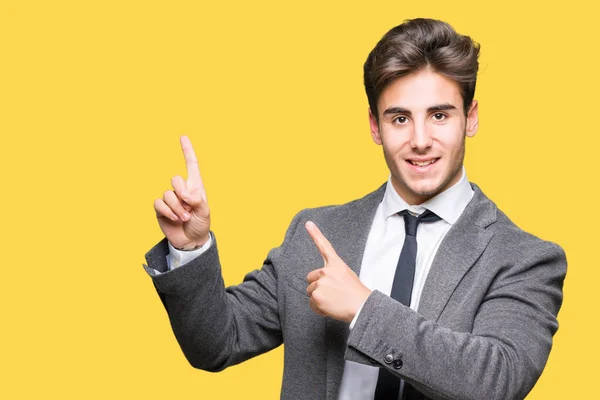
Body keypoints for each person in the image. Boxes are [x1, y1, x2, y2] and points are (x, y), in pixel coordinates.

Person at [143, 18, 567, 400]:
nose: (420, 140)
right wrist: (192, 249)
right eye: (399, 118)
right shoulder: (316, 233)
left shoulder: (523, 258)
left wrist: (364, 307)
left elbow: (497, 380)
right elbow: (218, 343)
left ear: (470, 118)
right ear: (374, 126)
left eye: (439, 115)